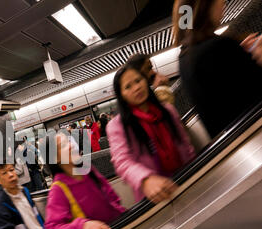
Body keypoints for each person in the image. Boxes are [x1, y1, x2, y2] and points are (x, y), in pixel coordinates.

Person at [107, 65, 196, 203]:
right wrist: (146, 180)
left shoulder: (167, 110)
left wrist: (195, 169)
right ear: (121, 95)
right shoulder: (117, 126)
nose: (136, 87)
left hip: (186, 179)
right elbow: (122, 161)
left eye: (138, 81)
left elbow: (184, 143)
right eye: (128, 86)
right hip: (155, 197)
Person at [173, 0, 262, 138]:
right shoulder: (220, 47)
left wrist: (241, 55)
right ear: (204, 6)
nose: (223, 3)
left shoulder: (185, 58)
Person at [44, 133, 126, 229]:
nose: (70, 146)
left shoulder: (88, 170)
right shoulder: (59, 189)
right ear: (55, 158)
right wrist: (82, 226)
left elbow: (112, 197)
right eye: (63, 145)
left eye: (69, 141)